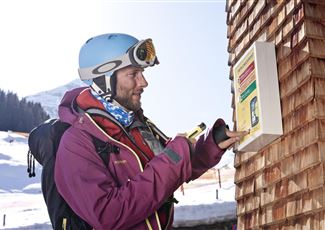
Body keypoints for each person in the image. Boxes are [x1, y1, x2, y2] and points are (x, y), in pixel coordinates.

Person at [54, 33, 247, 230]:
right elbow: (108, 214)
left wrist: (212, 144)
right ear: (103, 80)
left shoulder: (136, 127)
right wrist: (173, 155)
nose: (144, 82)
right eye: (133, 74)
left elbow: (174, 169)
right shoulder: (76, 143)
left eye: (142, 73)